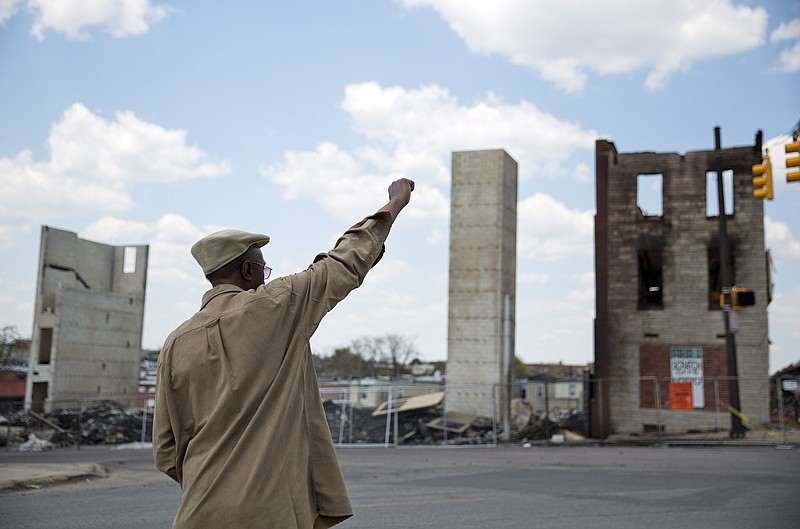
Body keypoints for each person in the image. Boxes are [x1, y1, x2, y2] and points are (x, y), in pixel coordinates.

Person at [153, 178, 414, 529]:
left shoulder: (175, 343)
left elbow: (166, 451)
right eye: (263, 269)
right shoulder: (276, 307)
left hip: (196, 513)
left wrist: (211, 480)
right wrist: (394, 204)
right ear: (248, 270)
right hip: (268, 515)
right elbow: (343, 263)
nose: (266, 277)